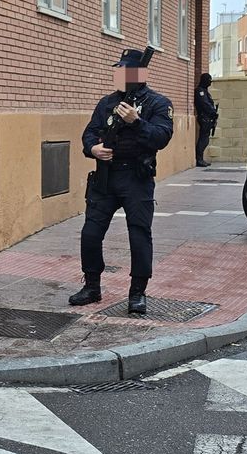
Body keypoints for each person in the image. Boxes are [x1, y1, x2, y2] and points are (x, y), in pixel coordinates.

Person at [68, 47, 174, 315]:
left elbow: (161, 138)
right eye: (118, 70)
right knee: (90, 233)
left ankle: (137, 293)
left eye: (125, 70)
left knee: (139, 234)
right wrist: (92, 149)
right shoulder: (106, 103)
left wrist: (136, 122)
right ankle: (92, 286)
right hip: (105, 176)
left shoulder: (158, 103)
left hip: (136, 178)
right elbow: (89, 134)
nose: (119, 74)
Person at [195, 73, 219, 168]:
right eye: (208, 81)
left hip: (208, 118)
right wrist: (213, 112)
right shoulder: (200, 91)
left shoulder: (204, 91)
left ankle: (201, 159)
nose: (210, 83)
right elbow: (204, 104)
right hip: (204, 117)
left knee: (205, 139)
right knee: (203, 139)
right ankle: (199, 159)